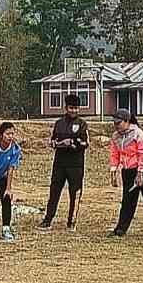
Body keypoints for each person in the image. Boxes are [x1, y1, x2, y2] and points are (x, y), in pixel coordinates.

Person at [39, 94, 89, 232]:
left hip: (76, 165)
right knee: (54, 192)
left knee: (75, 193)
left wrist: (73, 143)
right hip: (59, 164)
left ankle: (71, 222)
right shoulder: (59, 123)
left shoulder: (82, 124)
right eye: (71, 108)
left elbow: (85, 143)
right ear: (66, 108)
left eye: (76, 108)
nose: (73, 111)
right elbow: (53, 141)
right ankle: (48, 220)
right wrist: (61, 143)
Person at [109, 108, 143, 238]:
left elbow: (142, 154)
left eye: (119, 123)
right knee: (127, 200)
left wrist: (140, 173)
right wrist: (114, 169)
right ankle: (121, 228)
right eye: (115, 123)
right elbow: (115, 153)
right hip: (128, 170)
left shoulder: (139, 135)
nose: (116, 126)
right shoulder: (116, 136)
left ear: (127, 121)